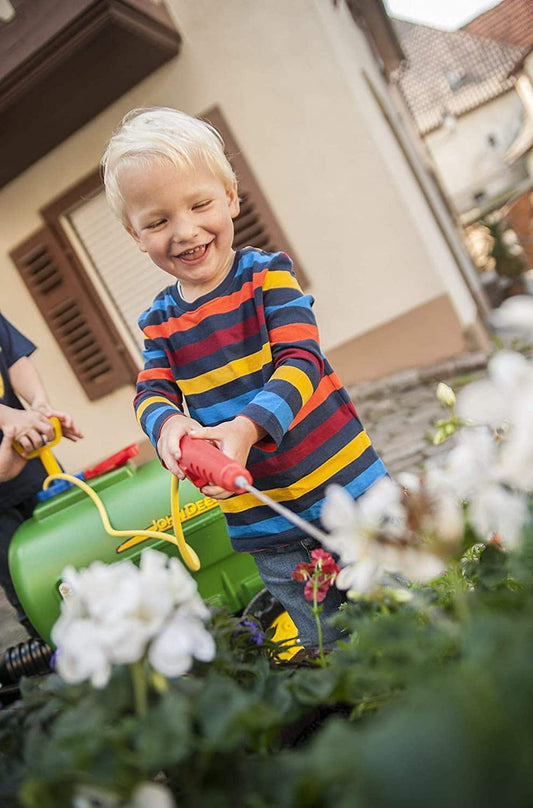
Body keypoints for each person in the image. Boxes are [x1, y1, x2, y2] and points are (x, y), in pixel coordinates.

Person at [101, 107, 387, 648]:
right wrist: (169, 430)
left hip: (352, 493)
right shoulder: (160, 323)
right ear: (135, 235)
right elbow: (151, 391)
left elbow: (302, 359)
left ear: (231, 196)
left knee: (405, 598)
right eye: (158, 221)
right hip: (266, 528)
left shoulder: (266, 275)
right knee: (337, 647)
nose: (184, 232)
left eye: (199, 204)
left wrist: (248, 427)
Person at [0, 312, 83, 633]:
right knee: (33, 595)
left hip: (35, 467)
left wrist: (39, 407)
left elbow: (15, 358)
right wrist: (7, 418)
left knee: (82, 559)